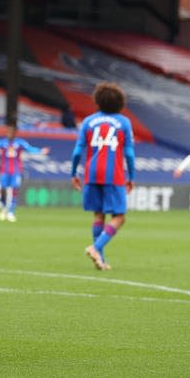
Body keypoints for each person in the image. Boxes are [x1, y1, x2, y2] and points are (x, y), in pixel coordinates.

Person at [70, 82, 135, 271]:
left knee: (99, 214)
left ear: (97, 102)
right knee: (119, 217)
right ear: (120, 103)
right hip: (113, 174)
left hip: (91, 173)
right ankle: (96, 247)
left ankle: (100, 259)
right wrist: (131, 176)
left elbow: (77, 152)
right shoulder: (123, 122)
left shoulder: (88, 121)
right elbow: (129, 154)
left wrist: (74, 173)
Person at [0, 124, 50, 222]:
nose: (9, 134)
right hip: (4, 171)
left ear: (14, 133)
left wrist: (40, 151)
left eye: (11, 132)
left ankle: (11, 212)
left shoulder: (20, 143)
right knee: (3, 189)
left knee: (14, 191)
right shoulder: (2, 143)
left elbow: (30, 148)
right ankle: (4, 208)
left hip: (16, 171)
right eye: (8, 132)